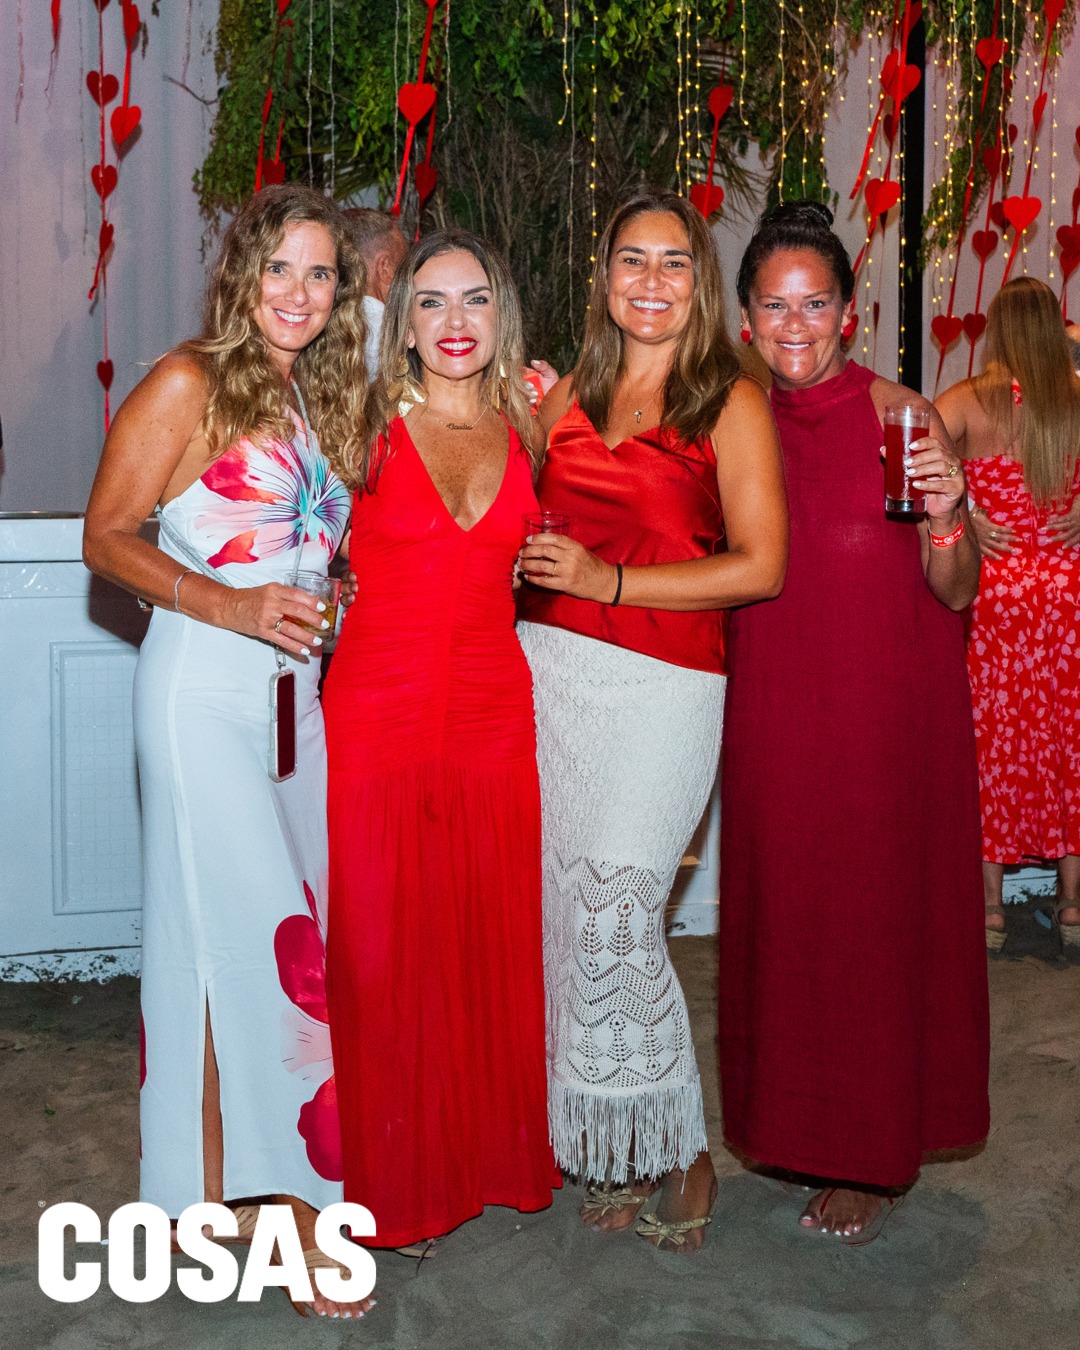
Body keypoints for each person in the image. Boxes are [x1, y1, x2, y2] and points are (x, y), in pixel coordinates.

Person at [83, 184, 370, 1317]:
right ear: (242, 274)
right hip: (200, 692)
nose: (300, 293)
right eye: (280, 268)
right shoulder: (187, 382)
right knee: (272, 954)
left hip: (294, 702)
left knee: (215, 952)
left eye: (322, 273)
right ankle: (301, 1216)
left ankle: (202, 1197)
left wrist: (329, 590)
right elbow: (106, 536)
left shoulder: (313, 394)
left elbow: (294, 544)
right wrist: (232, 605)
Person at [516, 190, 788, 1252]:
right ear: (605, 277)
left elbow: (761, 567)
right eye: (633, 260)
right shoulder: (568, 393)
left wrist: (612, 581)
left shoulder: (730, 400)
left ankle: (685, 1150)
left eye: (674, 263)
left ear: (700, 284)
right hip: (549, 678)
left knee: (621, 915)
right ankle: (619, 1140)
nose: (652, 282)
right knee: (565, 917)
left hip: (666, 690)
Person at [718, 200, 990, 1244]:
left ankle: (872, 1158)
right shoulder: (732, 421)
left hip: (882, 712)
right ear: (747, 317)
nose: (795, 326)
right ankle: (798, 1130)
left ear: (847, 312)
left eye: (814, 304)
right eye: (774, 306)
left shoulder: (900, 416)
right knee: (789, 920)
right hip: (775, 708)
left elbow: (957, 592)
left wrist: (949, 516)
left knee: (872, 925)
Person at [322, 229, 561, 1253]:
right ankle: (384, 1182)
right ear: (403, 324)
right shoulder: (357, 427)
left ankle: (480, 1163)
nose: (455, 321)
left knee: (477, 942)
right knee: (379, 953)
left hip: (493, 715)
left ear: (502, 314)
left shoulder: (533, 427)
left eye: (474, 300)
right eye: (431, 301)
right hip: (375, 714)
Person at [937, 278, 1080, 949]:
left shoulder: (966, 399)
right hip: (1068, 593)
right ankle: (1073, 905)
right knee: (1069, 741)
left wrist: (965, 512)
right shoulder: (1072, 397)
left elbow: (902, 460)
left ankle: (990, 908)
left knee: (991, 742)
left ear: (996, 327)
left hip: (996, 595)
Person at [343, 207, 409, 377]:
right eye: (403, 269)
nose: (410, 281)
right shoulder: (391, 335)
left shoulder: (322, 327)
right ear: (384, 268)